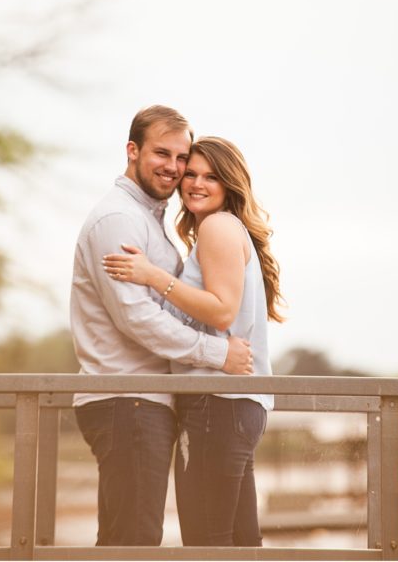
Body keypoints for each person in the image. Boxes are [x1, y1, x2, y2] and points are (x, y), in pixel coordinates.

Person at [69, 105, 254, 547]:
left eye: (180, 157)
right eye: (161, 154)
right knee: (135, 542)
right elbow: (137, 318)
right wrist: (216, 354)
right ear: (132, 151)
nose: (173, 168)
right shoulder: (120, 219)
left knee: (123, 539)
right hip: (128, 400)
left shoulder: (147, 218)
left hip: (138, 402)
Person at [103, 136, 283, 547]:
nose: (196, 184)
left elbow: (220, 310)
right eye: (192, 174)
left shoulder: (218, 227)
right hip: (234, 405)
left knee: (206, 544)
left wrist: (152, 276)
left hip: (215, 406)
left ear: (230, 185)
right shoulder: (222, 230)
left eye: (211, 177)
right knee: (239, 544)